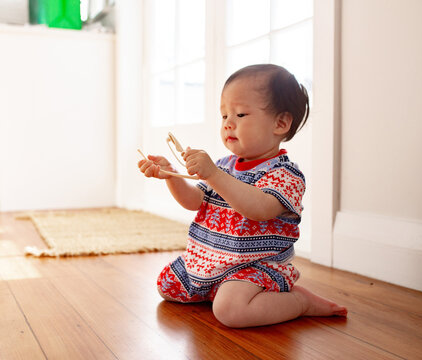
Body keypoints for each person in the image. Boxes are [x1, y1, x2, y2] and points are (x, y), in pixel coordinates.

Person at [138, 64, 347, 328]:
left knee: (230, 311)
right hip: (211, 260)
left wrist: (213, 174)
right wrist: (171, 175)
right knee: (166, 285)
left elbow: (257, 208)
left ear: (280, 123)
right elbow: (194, 201)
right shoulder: (224, 165)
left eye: (239, 114)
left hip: (255, 267)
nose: (228, 123)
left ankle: (299, 302)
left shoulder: (285, 175)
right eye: (223, 115)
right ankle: (217, 289)